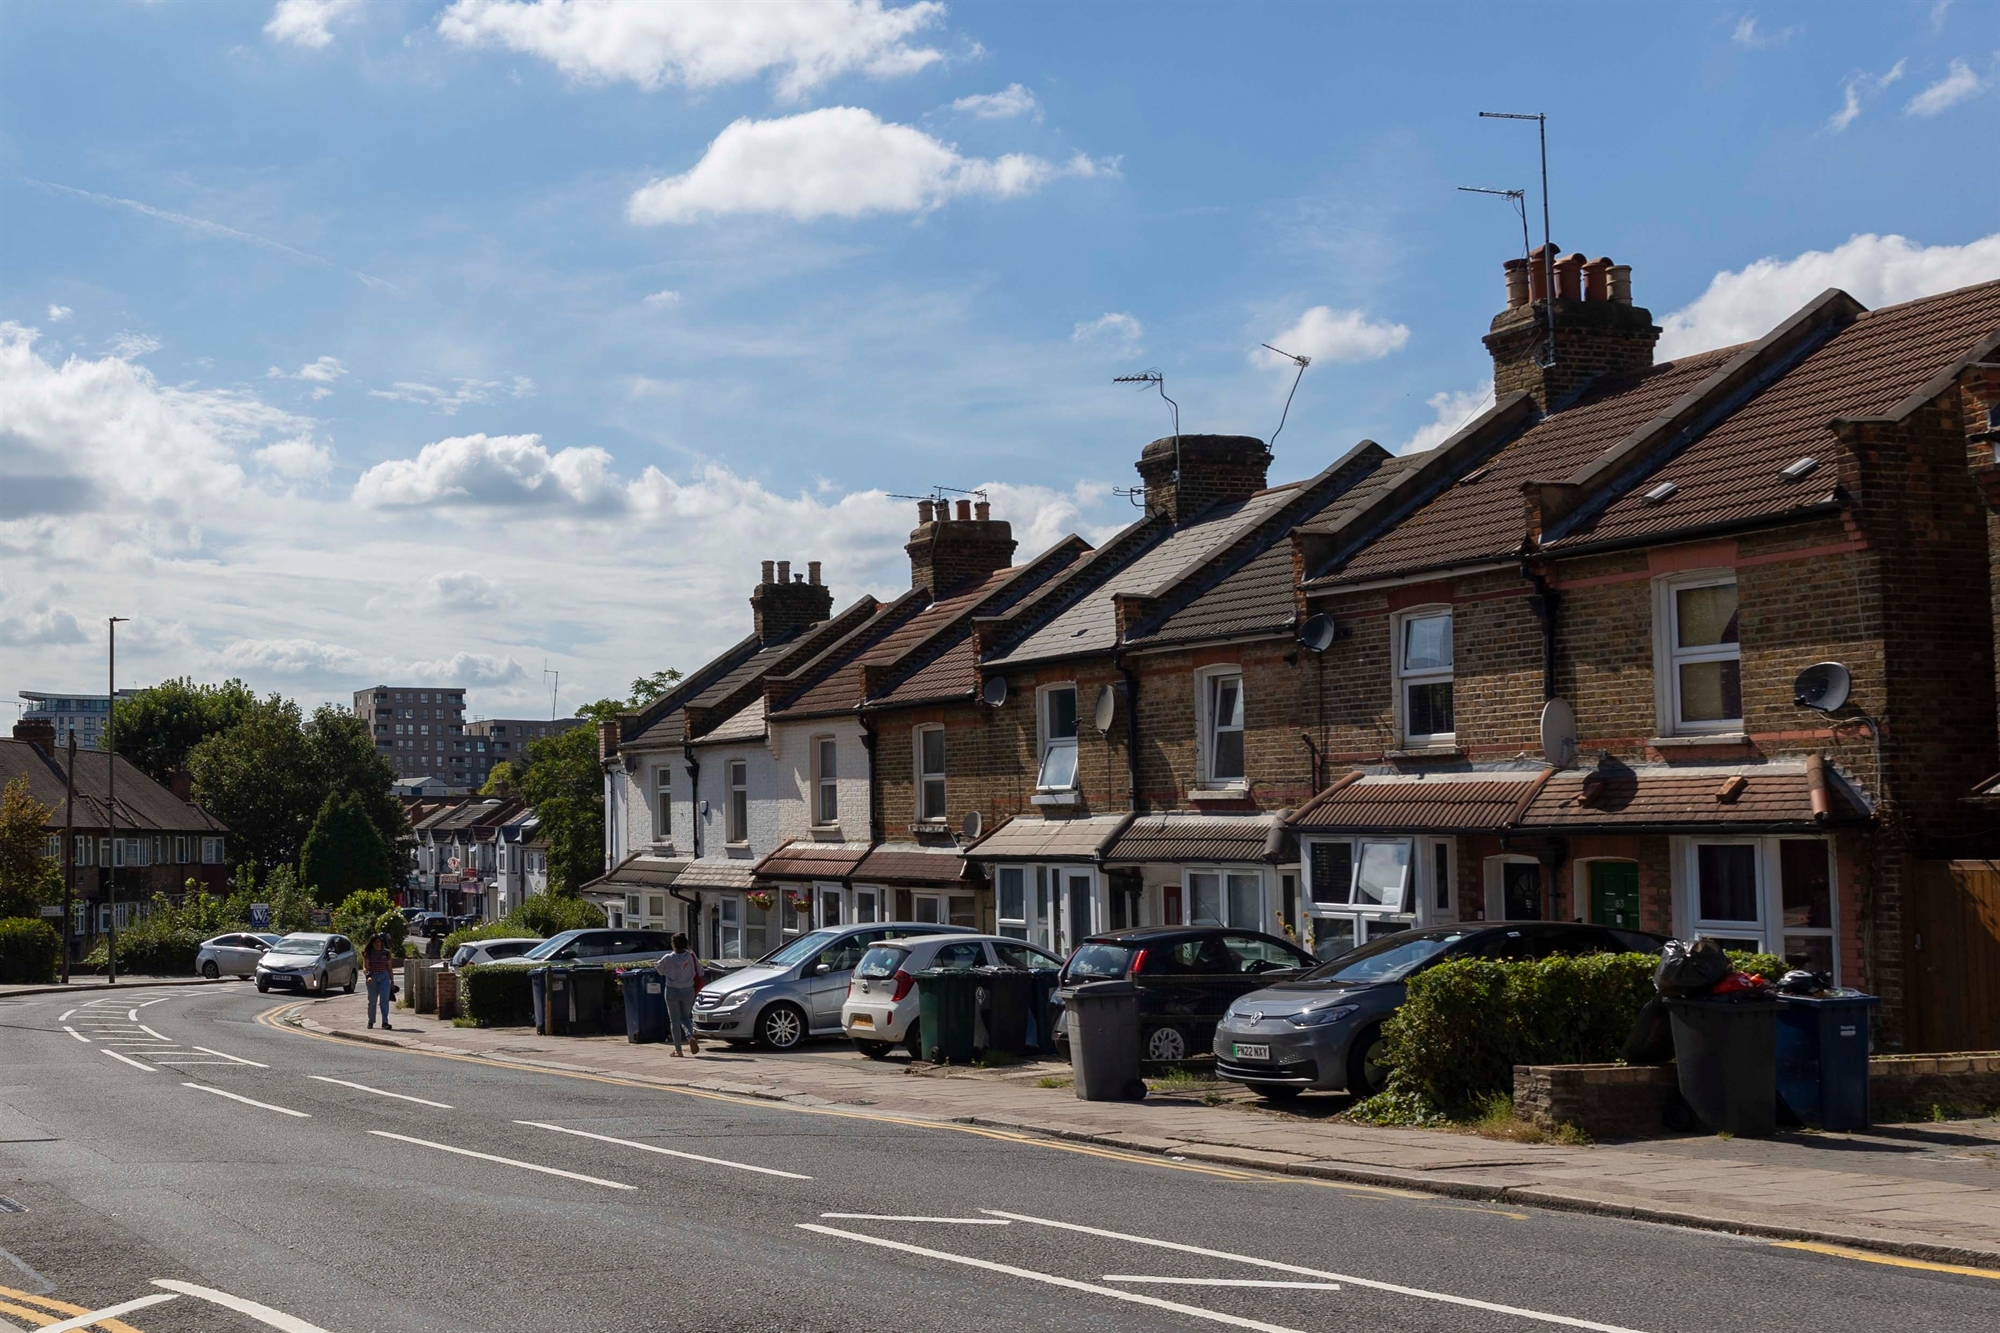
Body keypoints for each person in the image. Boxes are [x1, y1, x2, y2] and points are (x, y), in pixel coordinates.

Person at [655, 933, 702, 1056]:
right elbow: (701, 971)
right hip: (688, 990)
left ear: (673, 945)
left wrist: (657, 964)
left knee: (674, 1020)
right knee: (685, 1017)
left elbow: (660, 971)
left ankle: (678, 1050)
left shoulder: (668, 958)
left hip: (672, 990)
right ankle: (690, 1036)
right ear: (686, 944)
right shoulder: (691, 956)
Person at [363, 932, 397, 1030]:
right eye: (375, 943)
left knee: (384, 1001)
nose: (377, 944)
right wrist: (368, 976)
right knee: (372, 1001)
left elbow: (390, 968)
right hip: (372, 977)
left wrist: (392, 981)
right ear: (372, 944)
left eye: (379, 942)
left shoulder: (386, 953)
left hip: (384, 977)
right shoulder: (368, 953)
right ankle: (371, 1021)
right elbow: (366, 967)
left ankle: (385, 1022)